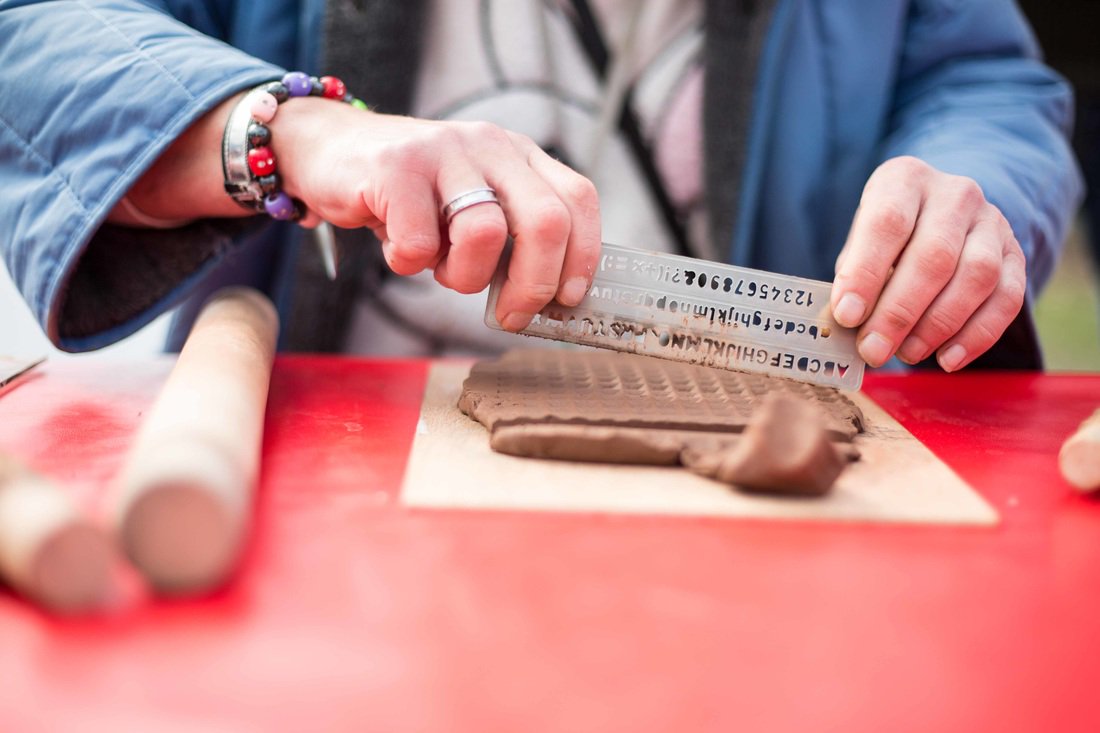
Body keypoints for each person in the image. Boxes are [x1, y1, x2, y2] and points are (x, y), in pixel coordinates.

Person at [0, 0, 1081, 372]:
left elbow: (979, 77)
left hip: (758, 479)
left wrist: (973, 193)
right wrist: (288, 133)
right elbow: (32, 43)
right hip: (326, 487)